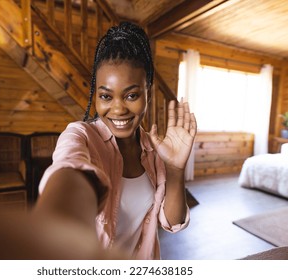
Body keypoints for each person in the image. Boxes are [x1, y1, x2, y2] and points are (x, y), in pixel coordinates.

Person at [34, 21, 197, 260]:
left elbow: (171, 223)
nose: (118, 109)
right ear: (96, 96)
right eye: (106, 96)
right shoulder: (80, 135)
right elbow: (69, 171)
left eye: (131, 95)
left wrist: (175, 170)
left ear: (147, 92)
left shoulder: (154, 149)